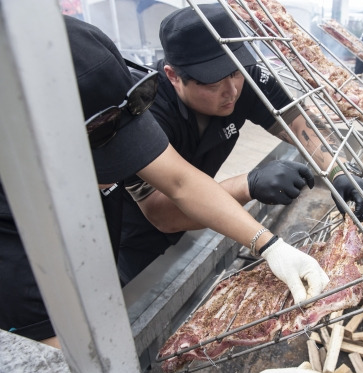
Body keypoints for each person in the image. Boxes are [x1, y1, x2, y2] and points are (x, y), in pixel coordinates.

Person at [0, 15, 329, 349]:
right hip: (119, 252)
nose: (231, 89)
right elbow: (64, 361)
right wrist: (249, 184)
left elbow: (179, 181)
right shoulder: (20, 250)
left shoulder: (114, 99)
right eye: (101, 166)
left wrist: (269, 245)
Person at [117, 3, 363, 284]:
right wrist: (248, 185)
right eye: (213, 83)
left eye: (234, 72)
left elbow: (295, 118)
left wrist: (339, 169)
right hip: (128, 241)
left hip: (191, 223)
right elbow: (163, 208)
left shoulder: (242, 78)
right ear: (173, 76)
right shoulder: (144, 112)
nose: (232, 91)